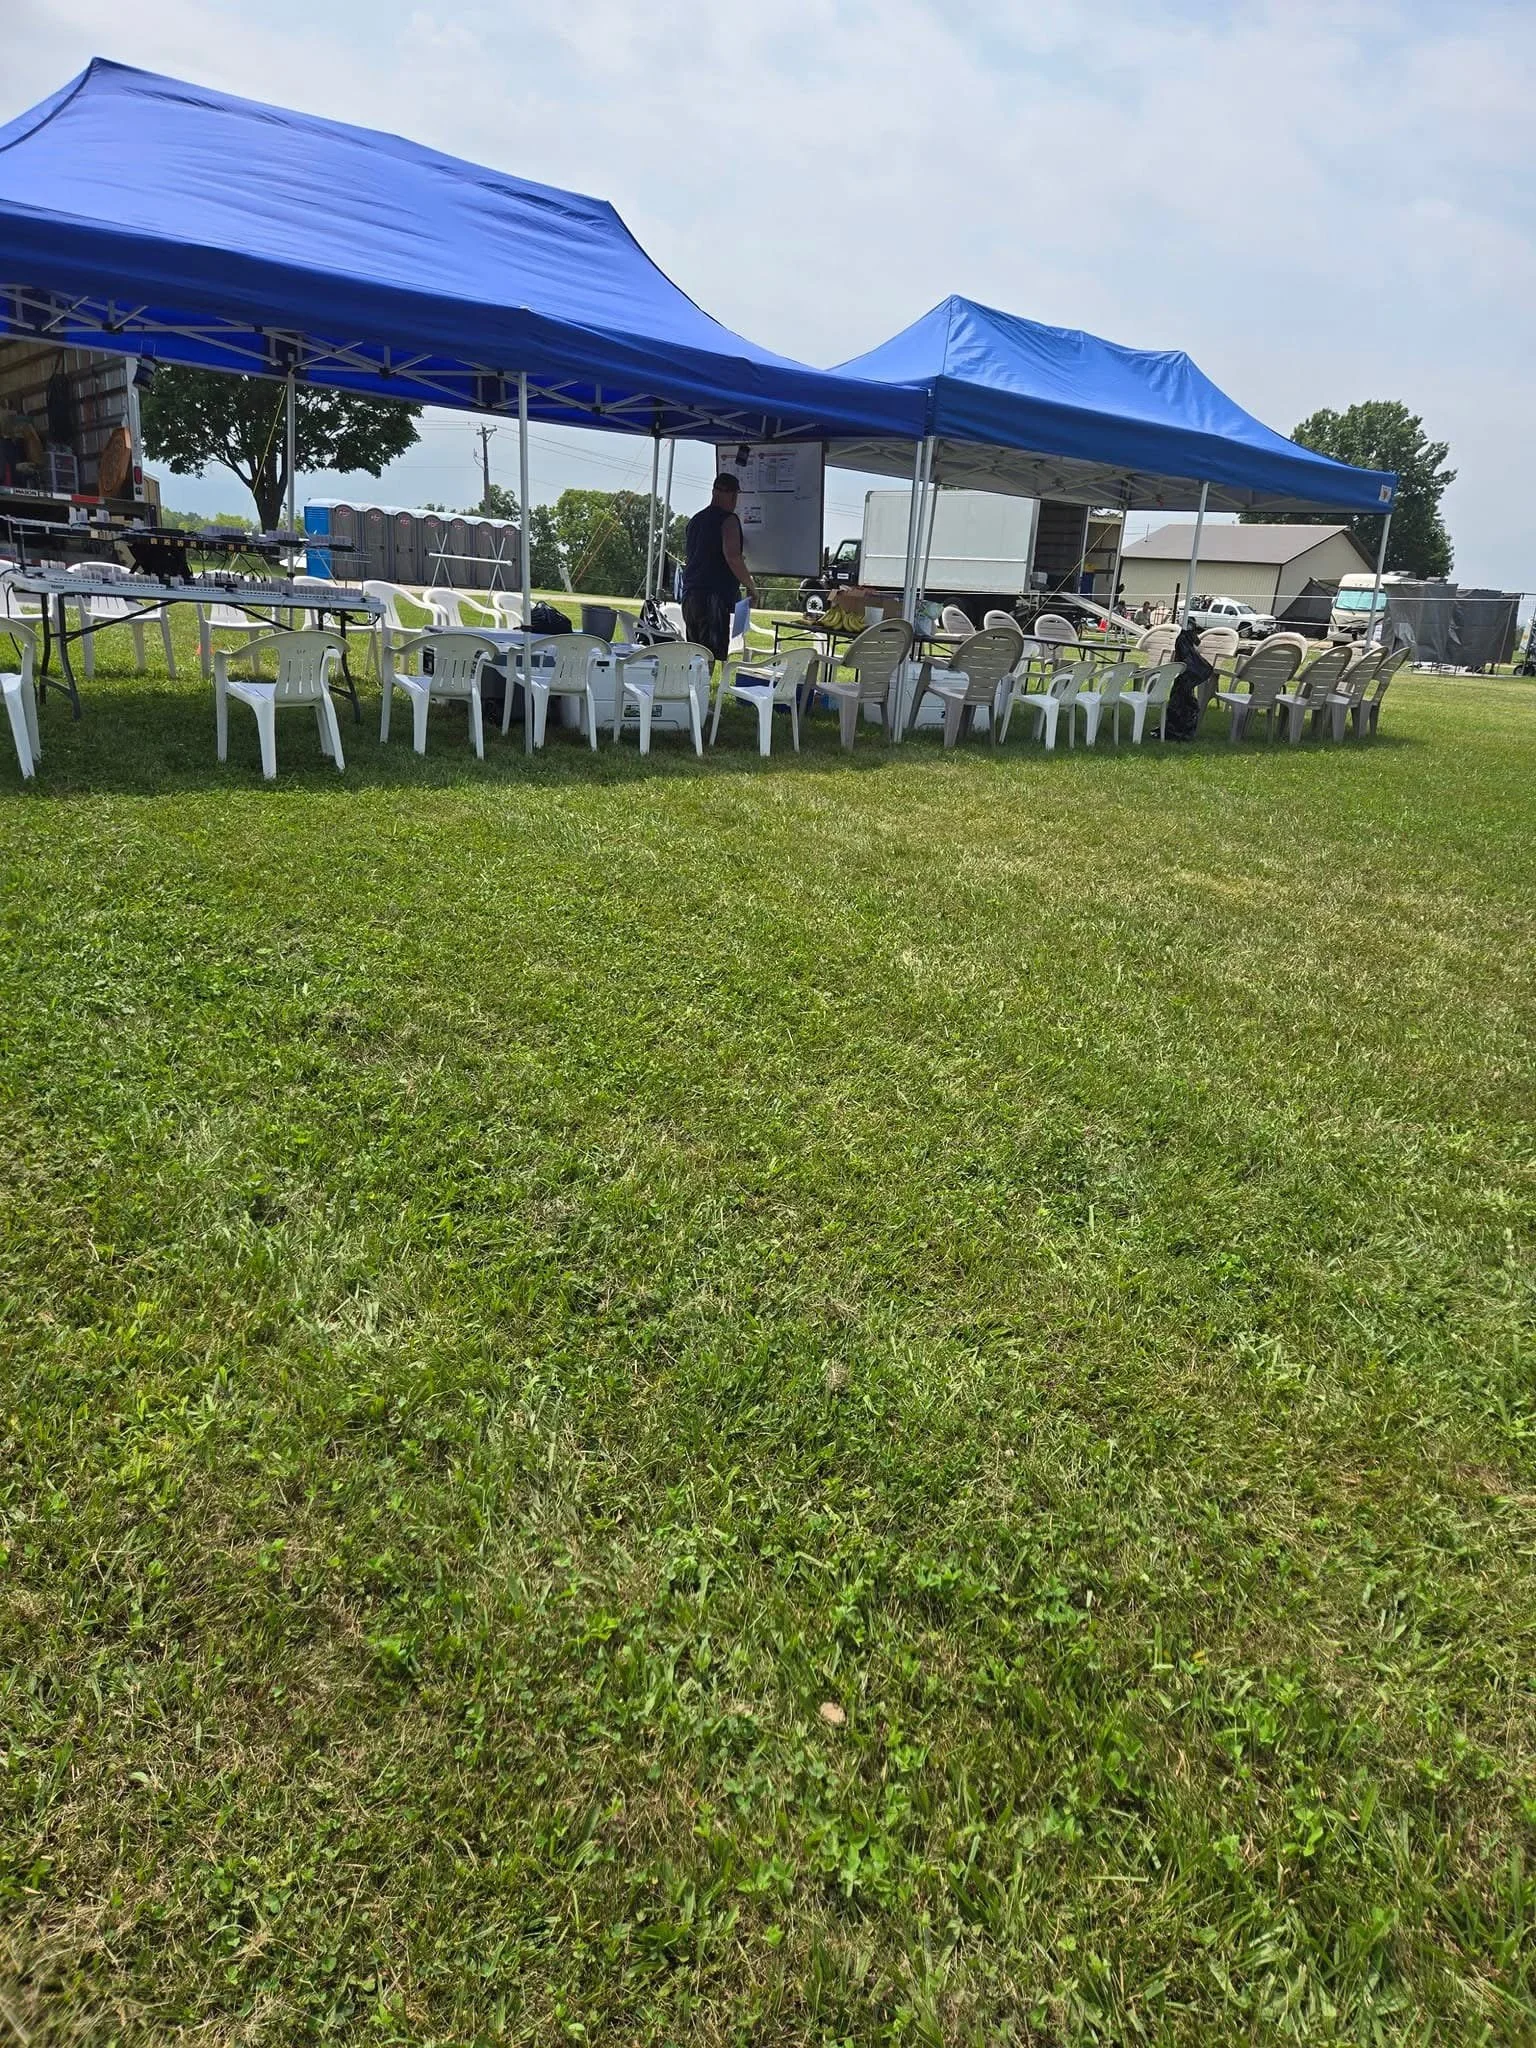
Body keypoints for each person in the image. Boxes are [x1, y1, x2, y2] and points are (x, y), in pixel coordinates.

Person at [682, 473, 757, 663]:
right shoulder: (729, 520)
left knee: (695, 654)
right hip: (712, 598)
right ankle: (701, 691)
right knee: (709, 656)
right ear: (731, 495)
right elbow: (733, 557)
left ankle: (693, 690)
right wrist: (751, 586)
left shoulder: (695, 520)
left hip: (690, 595)